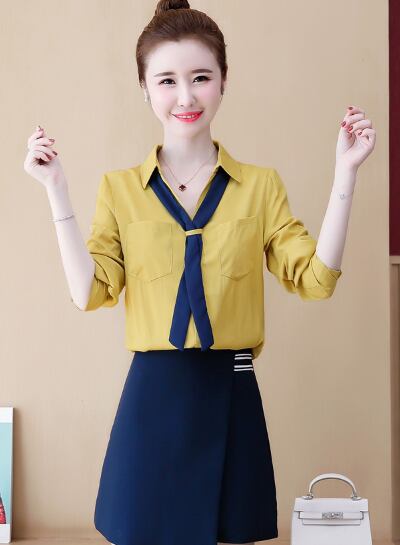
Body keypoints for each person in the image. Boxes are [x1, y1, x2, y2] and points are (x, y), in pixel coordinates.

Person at [23, 0, 376, 543]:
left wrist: (345, 174)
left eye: (201, 78)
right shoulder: (119, 190)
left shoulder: (260, 187)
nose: (185, 97)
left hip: (230, 388)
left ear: (224, 82)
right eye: (167, 80)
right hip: (152, 396)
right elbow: (89, 292)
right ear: (144, 88)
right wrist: (57, 191)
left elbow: (316, 279)